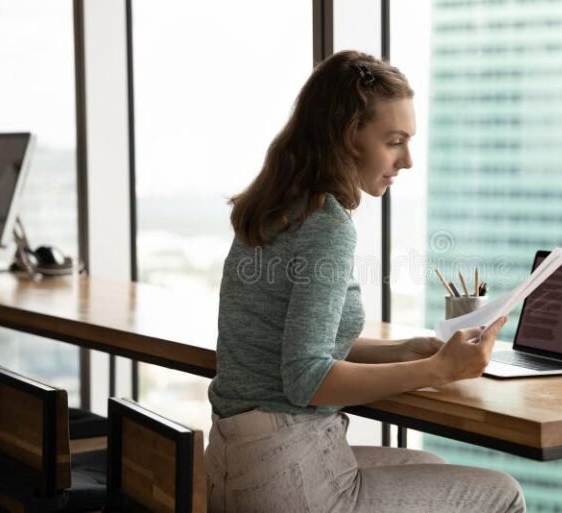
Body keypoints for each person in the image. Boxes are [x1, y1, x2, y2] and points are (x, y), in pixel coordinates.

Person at [205, 50, 526, 513]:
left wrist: (402, 351)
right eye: (394, 141)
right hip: (288, 474)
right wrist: (440, 369)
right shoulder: (326, 225)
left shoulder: (276, 206)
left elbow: (296, 344)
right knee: (502, 493)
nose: (408, 160)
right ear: (348, 136)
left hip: (235, 464)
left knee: (431, 464)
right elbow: (307, 380)